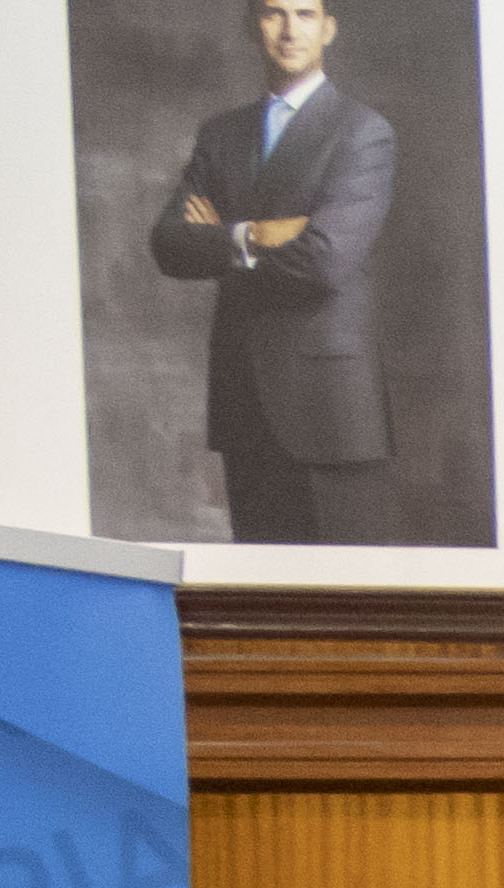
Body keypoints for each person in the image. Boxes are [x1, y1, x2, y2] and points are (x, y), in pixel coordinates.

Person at [145, 0, 403, 547]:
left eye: (305, 14)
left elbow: (325, 259)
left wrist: (219, 241)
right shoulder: (221, 134)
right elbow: (169, 244)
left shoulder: (363, 132)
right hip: (244, 401)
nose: (289, 30)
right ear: (253, 27)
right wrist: (253, 235)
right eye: (273, 14)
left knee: (344, 602)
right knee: (263, 593)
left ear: (328, 28)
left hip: (330, 407)